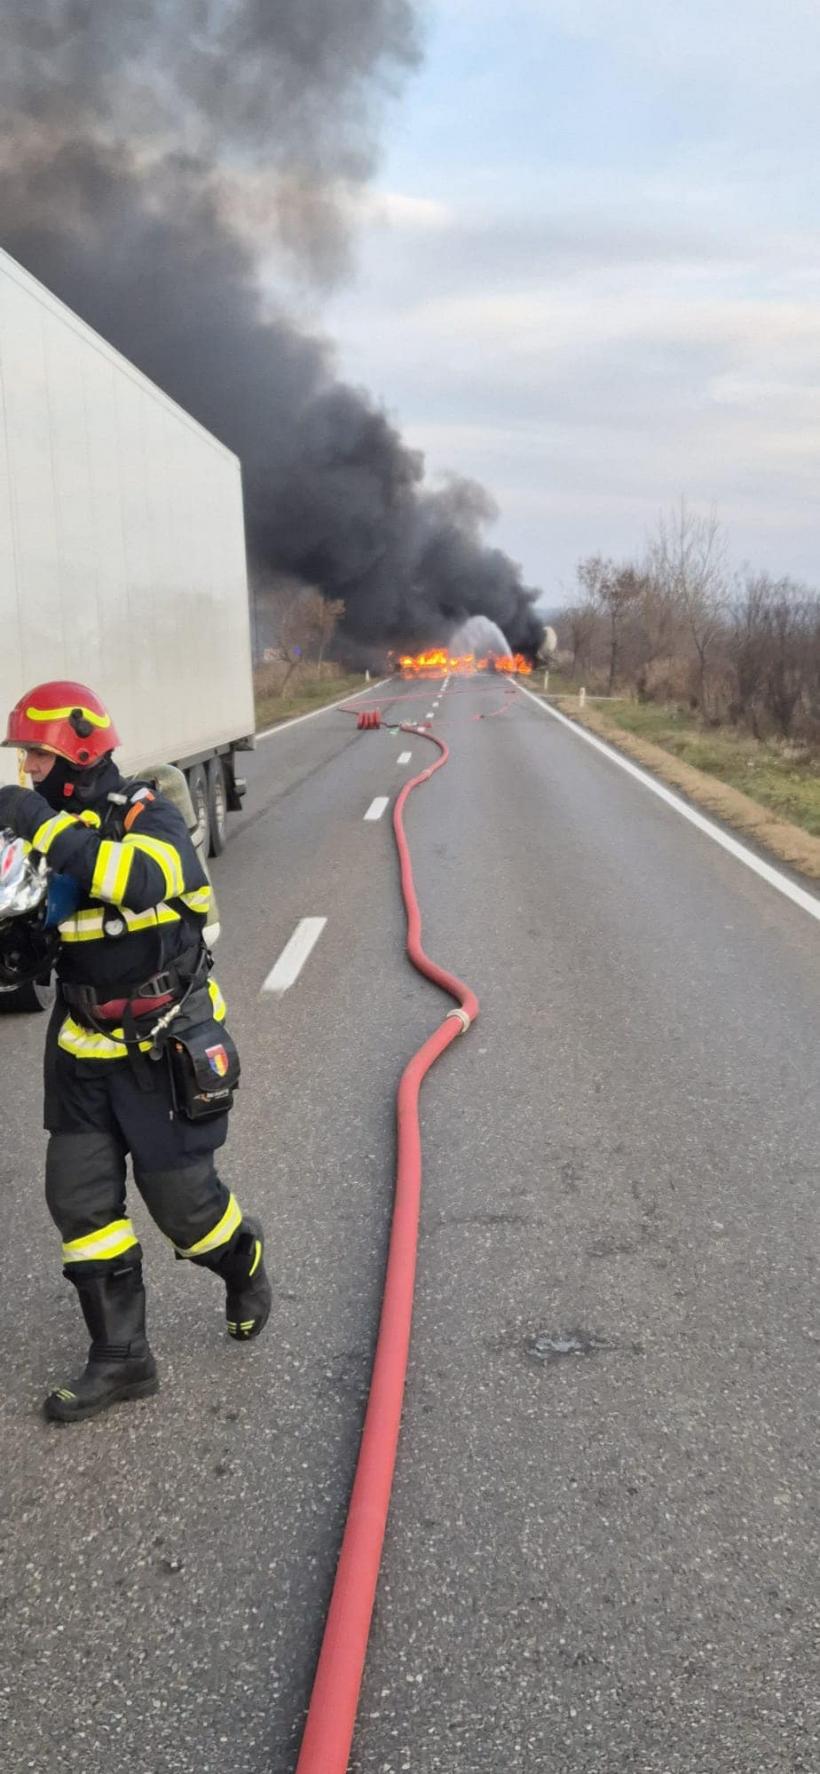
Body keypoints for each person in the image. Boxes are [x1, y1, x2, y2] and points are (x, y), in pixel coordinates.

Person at [0, 679, 271, 1425]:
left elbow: (146, 877)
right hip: (82, 1050)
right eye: (23, 762)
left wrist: (37, 826)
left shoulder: (149, 812)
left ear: (77, 751)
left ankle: (242, 1263)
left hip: (161, 1046)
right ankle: (122, 1358)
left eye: (36, 758)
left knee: (186, 1211)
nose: (28, 773)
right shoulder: (46, 837)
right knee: (80, 1202)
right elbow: (43, 935)